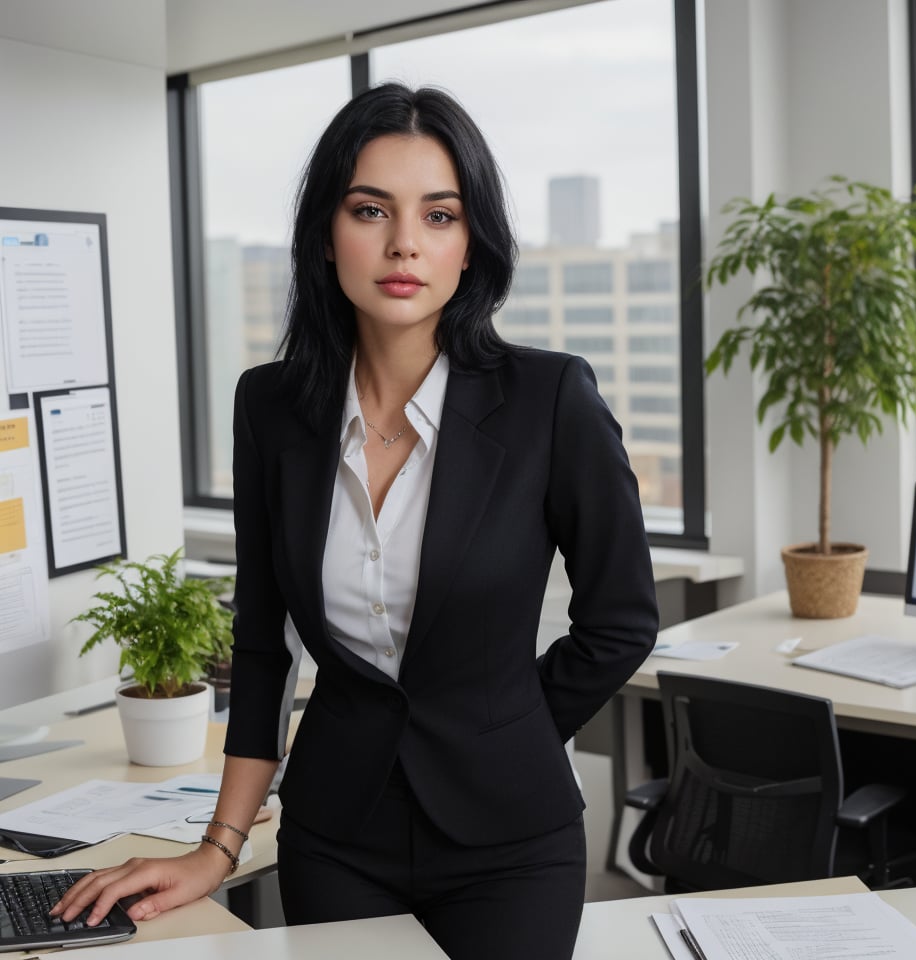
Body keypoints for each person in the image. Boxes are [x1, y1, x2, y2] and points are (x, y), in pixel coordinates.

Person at [53, 82, 659, 960]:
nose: (404, 242)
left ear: (470, 245)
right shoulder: (271, 406)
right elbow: (263, 644)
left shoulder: (549, 398)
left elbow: (622, 620)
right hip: (337, 839)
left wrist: (509, 726)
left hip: (509, 846)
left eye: (439, 215)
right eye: (371, 208)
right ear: (326, 235)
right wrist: (217, 848)